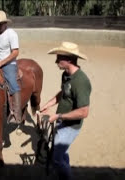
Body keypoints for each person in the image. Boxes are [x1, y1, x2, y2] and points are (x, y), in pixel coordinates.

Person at [39, 42, 92, 180]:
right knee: (62, 154)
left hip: (70, 127)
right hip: (61, 121)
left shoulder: (81, 82)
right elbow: (63, 92)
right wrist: (48, 104)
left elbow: (84, 112)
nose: (56, 61)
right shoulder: (65, 75)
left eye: (59, 58)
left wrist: (58, 116)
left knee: (56, 160)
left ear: (69, 60)